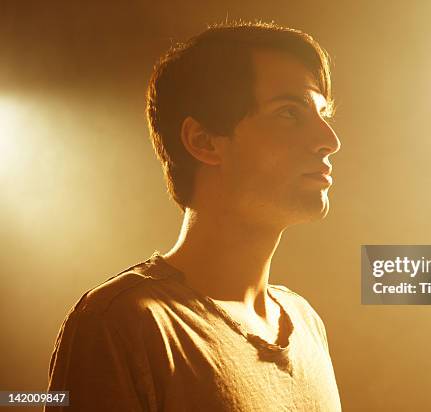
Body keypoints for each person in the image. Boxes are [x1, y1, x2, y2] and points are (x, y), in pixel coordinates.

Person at [45, 21, 342, 411]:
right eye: (289, 112)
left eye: (323, 115)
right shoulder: (122, 322)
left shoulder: (306, 323)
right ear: (203, 142)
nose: (329, 141)